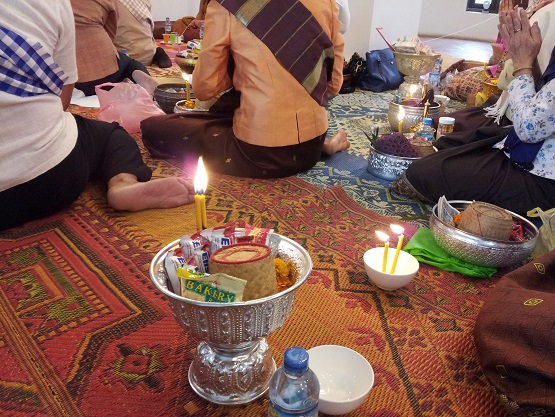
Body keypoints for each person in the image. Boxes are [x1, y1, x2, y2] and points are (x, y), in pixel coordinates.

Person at [0, 0, 194, 232]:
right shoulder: (55, 4)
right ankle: (123, 182)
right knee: (109, 133)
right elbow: (62, 98)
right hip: (50, 180)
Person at [141, 0, 349, 179]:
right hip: (312, 144)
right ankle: (325, 145)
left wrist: (238, 70)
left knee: (153, 128)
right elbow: (333, 85)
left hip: (261, 153)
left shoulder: (229, 6)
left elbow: (204, 88)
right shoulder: (327, 2)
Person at [390, 6, 555, 214]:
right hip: (523, 138)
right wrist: (526, 60)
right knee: (446, 143)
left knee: (421, 174)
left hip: (542, 175)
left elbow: (529, 129)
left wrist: (522, 64)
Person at [437, 0, 555, 132]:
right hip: (508, 104)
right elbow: (499, 62)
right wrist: (509, 37)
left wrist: (519, 62)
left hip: (515, 119)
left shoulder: (548, 13)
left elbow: (529, 126)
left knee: (448, 122)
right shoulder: (542, 9)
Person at [70, 0, 159, 96]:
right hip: (107, 73)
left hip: (68, 78)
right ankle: (142, 79)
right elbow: (111, 31)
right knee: (127, 62)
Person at [113, 0, 172, 68]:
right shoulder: (144, 2)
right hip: (148, 55)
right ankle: (156, 50)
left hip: (124, 58)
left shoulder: (108, 3)